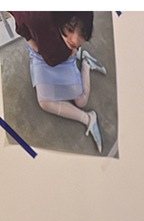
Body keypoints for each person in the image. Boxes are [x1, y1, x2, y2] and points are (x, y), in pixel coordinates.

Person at [11, 11, 106, 152]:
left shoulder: (70, 36)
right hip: (42, 55)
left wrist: (73, 50)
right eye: (70, 29)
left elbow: (79, 26)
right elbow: (20, 25)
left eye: (82, 33)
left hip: (64, 53)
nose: (75, 39)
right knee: (45, 102)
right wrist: (34, 44)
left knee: (81, 101)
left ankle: (86, 62)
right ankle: (88, 119)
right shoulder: (35, 17)